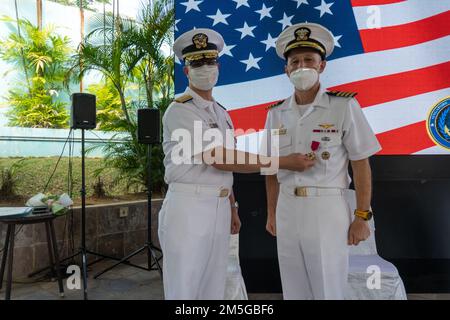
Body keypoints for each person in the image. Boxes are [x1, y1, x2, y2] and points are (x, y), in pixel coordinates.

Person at [159, 28, 315, 300]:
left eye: (209, 62)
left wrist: (231, 207)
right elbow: (218, 158)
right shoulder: (180, 109)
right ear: (186, 71)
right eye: (196, 63)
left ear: (218, 66)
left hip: (219, 207)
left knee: (213, 288)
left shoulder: (221, 113)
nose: (204, 69)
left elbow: (227, 164)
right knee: (185, 289)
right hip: (188, 208)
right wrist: (282, 161)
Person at [264, 22, 382, 300]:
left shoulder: (343, 106)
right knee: (293, 288)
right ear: (286, 69)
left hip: (326, 207)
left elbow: (361, 163)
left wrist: (362, 216)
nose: (301, 66)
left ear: (322, 66)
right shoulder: (276, 113)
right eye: (295, 61)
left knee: (329, 287)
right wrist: (271, 212)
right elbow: (270, 167)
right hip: (287, 208)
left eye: (309, 60)